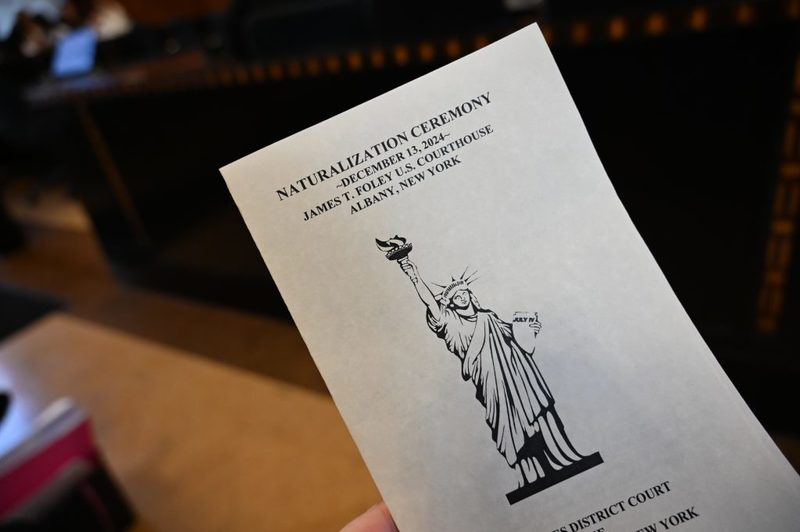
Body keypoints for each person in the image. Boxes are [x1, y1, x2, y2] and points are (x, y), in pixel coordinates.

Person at [399, 259, 586, 487]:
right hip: (491, 383)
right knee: (508, 424)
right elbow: (430, 303)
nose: (462, 297)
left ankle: (561, 457)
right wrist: (413, 275)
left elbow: (517, 336)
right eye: (456, 297)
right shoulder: (452, 326)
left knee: (537, 414)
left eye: (464, 293)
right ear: (451, 305)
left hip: (518, 377)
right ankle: (531, 473)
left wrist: (530, 329)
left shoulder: (488, 317)